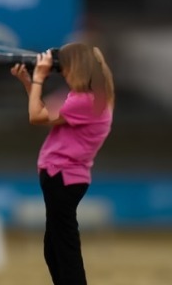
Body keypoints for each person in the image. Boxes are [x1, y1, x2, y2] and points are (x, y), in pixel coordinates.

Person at [11, 42, 114, 285]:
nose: (62, 70)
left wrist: (39, 77)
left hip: (64, 178)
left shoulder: (85, 100)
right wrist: (30, 82)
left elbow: (36, 117)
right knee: (54, 246)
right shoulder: (89, 98)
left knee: (64, 248)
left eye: (64, 66)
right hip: (63, 177)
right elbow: (44, 113)